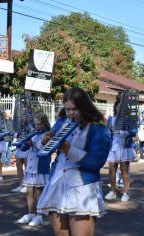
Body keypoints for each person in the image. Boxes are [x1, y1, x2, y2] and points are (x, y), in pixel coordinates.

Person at [37, 87, 111, 236]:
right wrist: (44, 141)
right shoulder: (61, 122)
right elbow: (44, 150)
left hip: (82, 187)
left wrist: (68, 149)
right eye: (67, 109)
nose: (70, 113)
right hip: (57, 183)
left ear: (84, 106)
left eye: (74, 109)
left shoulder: (98, 128)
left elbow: (96, 162)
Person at [17, 113, 51, 226]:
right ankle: (31, 213)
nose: (37, 126)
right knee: (29, 191)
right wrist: (21, 143)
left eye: (39, 124)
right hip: (31, 166)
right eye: (35, 124)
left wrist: (32, 145)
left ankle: (39, 215)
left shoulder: (47, 134)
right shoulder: (35, 134)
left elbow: (43, 149)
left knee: (38, 192)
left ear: (44, 123)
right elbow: (24, 149)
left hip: (40, 166)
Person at [105, 100, 137, 202]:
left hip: (124, 147)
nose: (119, 109)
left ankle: (126, 192)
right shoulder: (111, 119)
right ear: (115, 108)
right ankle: (113, 192)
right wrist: (109, 130)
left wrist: (121, 132)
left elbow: (133, 132)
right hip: (113, 147)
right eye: (118, 107)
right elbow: (107, 132)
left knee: (124, 171)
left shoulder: (128, 119)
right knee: (111, 171)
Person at [11, 114, 34, 193]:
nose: (22, 118)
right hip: (19, 147)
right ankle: (20, 184)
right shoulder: (20, 126)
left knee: (27, 167)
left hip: (26, 148)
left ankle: (27, 185)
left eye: (24, 117)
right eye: (22, 117)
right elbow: (17, 135)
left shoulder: (30, 126)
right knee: (18, 166)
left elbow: (31, 136)